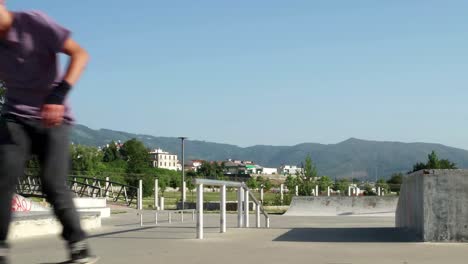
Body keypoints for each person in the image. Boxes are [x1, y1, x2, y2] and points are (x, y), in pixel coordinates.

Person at [0, 1, 97, 263]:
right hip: (15, 118)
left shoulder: (34, 22)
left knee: (52, 184)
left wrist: (58, 94)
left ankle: (79, 247)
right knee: (3, 179)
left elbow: (80, 54)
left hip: (53, 117)